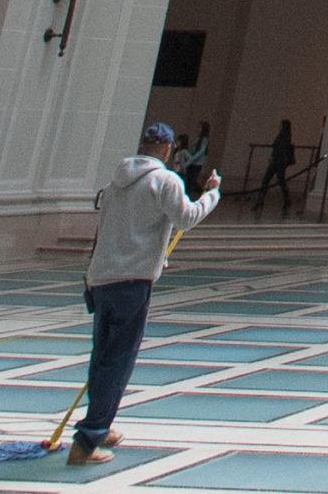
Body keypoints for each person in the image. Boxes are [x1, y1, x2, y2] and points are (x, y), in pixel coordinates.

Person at [73, 122, 219, 465]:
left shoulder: (115, 182)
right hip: (132, 279)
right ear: (168, 149)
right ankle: (87, 440)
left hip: (101, 277)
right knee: (118, 361)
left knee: (103, 356)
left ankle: (99, 422)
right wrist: (211, 194)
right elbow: (186, 218)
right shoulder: (164, 180)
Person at [258, 118, 297, 218]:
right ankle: (262, 200)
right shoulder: (284, 136)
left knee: (274, 180)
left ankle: (263, 200)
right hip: (277, 161)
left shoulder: (284, 137)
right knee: (273, 180)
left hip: (279, 161)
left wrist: (274, 157)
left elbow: (279, 148)